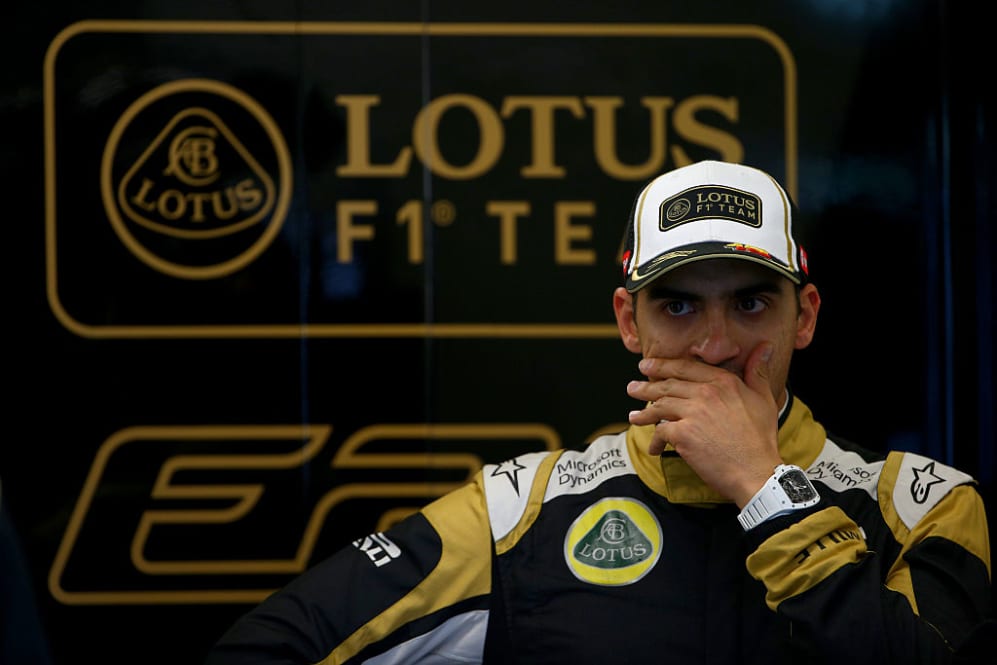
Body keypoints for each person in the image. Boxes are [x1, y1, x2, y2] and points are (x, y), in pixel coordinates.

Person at [205, 161, 994, 664]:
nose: (715, 346)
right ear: (628, 321)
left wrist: (763, 484)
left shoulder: (921, 503)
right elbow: (271, 645)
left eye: (751, 302)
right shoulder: (522, 508)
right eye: (678, 305)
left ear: (805, 316)